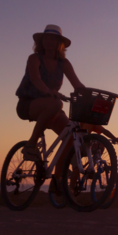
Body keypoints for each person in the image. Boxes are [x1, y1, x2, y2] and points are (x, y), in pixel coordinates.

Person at [15, 24, 85, 186]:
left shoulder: (64, 63)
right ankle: (31, 145)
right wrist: (49, 91)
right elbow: (35, 79)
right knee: (56, 104)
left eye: (53, 39)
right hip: (28, 103)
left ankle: (57, 178)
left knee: (70, 135)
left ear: (59, 43)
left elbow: (77, 85)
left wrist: (92, 96)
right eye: (46, 38)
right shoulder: (34, 58)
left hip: (51, 105)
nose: (49, 41)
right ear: (41, 41)